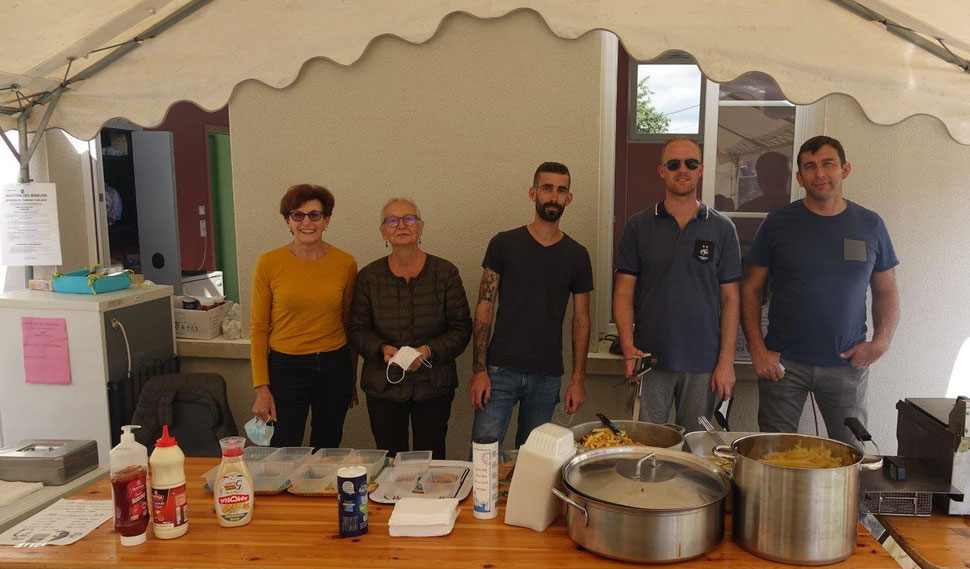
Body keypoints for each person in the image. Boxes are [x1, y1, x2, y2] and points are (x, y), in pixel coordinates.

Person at [741, 136, 900, 448]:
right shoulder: (778, 223)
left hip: (846, 366)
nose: (819, 174)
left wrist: (880, 343)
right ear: (800, 177)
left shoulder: (870, 225)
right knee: (774, 455)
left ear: (845, 169)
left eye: (828, 164)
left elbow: (887, 290)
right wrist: (758, 351)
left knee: (850, 456)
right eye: (810, 167)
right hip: (783, 367)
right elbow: (750, 289)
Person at [613, 136, 742, 433]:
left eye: (690, 163)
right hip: (650, 360)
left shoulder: (722, 228)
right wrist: (629, 347)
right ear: (662, 171)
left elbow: (731, 300)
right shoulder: (638, 225)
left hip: (704, 364)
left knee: (698, 452)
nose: (682, 169)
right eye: (674, 164)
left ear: (701, 170)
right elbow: (623, 293)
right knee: (647, 450)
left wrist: (726, 362)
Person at [468, 162, 593, 447]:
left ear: (569, 198)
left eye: (561, 190)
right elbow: (484, 307)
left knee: (533, 464)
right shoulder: (503, 244)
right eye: (547, 188)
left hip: (547, 375)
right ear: (533, 192)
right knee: (484, 458)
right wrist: (479, 370)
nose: (553, 196)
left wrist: (578, 379)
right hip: (499, 371)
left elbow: (581, 320)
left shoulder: (577, 255)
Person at [347, 198, 472, 459]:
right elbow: (357, 329)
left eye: (409, 219)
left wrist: (427, 351)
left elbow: (461, 328)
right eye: (392, 220)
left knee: (432, 458)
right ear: (383, 231)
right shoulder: (369, 277)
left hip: (433, 386)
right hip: (384, 387)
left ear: (420, 227)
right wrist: (382, 349)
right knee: (391, 462)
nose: (401, 225)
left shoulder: (445, 273)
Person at [250, 184, 359, 448]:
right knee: (283, 449)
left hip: (334, 367)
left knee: (328, 447)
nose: (306, 222)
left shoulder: (345, 263)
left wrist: (351, 379)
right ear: (287, 221)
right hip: (286, 368)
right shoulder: (268, 263)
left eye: (315, 215)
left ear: (327, 220)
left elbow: (349, 324)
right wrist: (261, 389)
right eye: (297, 215)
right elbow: (258, 329)